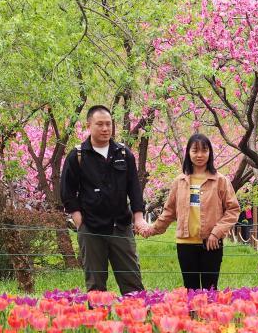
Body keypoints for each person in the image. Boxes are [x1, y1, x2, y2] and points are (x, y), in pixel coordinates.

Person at [60, 105, 148, 293]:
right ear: (89, 125)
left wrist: (138, 217)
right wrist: (78, 220)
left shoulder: (123, 154)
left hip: (120, 227)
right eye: (99, 124)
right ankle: (98, 321)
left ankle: (137, 321)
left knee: (132, 283)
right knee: (95, 285)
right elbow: (67, 191)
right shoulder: (78, 156)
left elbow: (134, 189)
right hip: (91, 228)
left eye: (108, 124)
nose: (105, 129)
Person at [145, 133, 240, 290]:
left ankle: (208, 316)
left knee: (210, 290)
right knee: (191, 291)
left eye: (204, 150)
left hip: (212, 243)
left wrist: (216, 233)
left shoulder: (220, 181)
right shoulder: (179, 181)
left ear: (210, 153)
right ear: (188, 153)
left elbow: (233, 210)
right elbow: (169, 212)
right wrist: (151, 229)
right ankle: (193, 316)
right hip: (185, 244)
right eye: (195, 150)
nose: (200, 155)